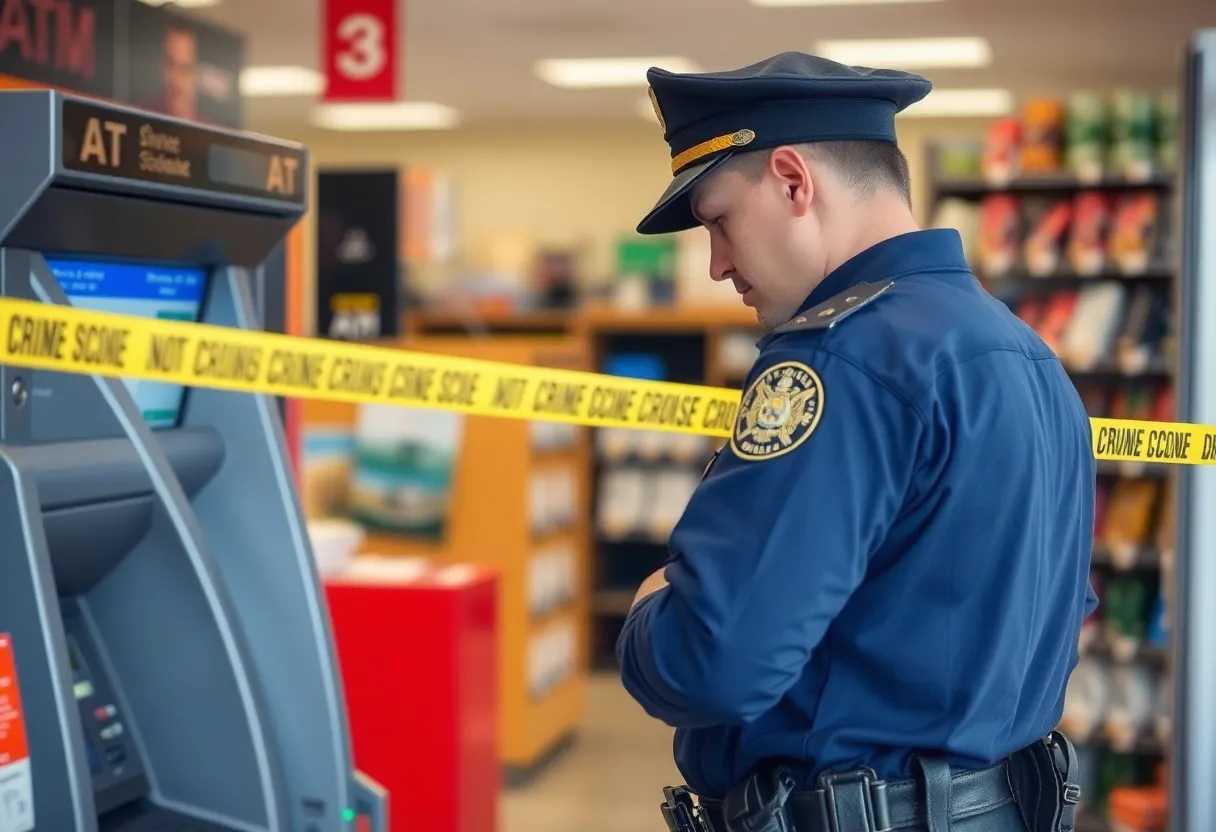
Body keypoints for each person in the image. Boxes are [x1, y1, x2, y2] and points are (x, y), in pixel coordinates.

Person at [615, 52, 1097, 832]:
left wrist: (649, 614)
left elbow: (713, 660)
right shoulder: (1027, 355)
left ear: (792, 180)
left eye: (718, 220)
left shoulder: (841, 358)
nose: (716, 265)